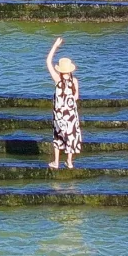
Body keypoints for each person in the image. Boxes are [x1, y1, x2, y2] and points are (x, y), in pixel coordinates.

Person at [46, 37, 82, 170]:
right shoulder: (75, 81)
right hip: (71, 114)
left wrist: (55, 46)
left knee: (58, 135)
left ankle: (56, 162)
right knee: (71, 136)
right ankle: (69, 162)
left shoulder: (57, 79)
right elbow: (76, 96)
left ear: (60, 70)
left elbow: (48, 61)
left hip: (60, 114)